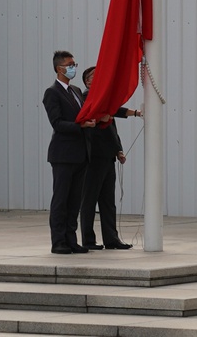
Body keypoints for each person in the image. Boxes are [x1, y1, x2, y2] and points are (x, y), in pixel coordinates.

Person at [79, 66, 140, 250]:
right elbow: (100, 116)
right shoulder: (87, 96)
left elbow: (112, 125)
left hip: (107, 156)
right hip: (94, 156)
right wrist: (103, 117)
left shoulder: (105, 99)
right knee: (89, 200)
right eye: (94, 76)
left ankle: (111, 239)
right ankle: (88, 240)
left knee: (108, 201)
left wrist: (118, 150)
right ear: (88, 81)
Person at [42, 50, 95, 254]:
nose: (73, 67)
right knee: (61, 199)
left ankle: (72, 240)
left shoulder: (75, 90)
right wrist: (81, 126)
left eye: (74, 64)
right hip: (63, 154)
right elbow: (57, 123)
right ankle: (59, 241)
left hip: (81, 153)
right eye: (70, 64)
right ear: (59, 68)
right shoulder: (52, 92)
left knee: (74, 201)